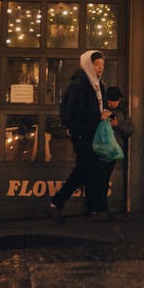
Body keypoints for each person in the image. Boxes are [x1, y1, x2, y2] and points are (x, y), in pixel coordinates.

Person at [48, 50, 113, 223]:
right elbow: (72, 112)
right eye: (97, 65)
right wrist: (97, 116)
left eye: (102, 65)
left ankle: (58, 203)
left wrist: (105, 113)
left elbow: (101, 107)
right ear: (87, 64)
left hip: (95, 134)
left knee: (84, 171)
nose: (100, 68)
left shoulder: (99, 85)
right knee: (92, 171)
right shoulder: (79, 85)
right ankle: (97, 209)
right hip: (83, 135)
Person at [104, 85, 135, 210]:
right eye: (110, 100)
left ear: (120, 99)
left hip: (114, 151)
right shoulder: (103, 110)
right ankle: (100, 208)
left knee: (104, 180)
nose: (112, 103)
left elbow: (130, 130)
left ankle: (102, 208)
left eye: (115, 100)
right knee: (101, 180)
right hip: (102, 150)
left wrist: (117, 125)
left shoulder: (123, 113)